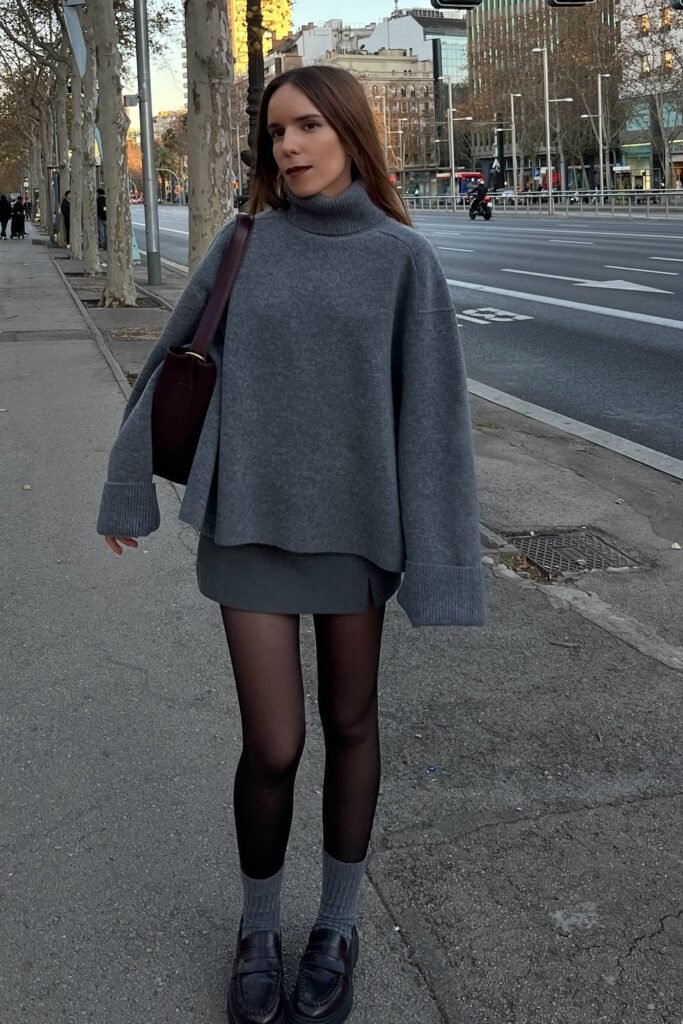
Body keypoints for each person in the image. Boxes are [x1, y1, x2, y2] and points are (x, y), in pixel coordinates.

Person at [96, 65, 485, 1024]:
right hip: (250, 523)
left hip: (356, 531)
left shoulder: (402, 259)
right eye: (276, 133)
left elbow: (432, 423)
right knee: (274, 744)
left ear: (349, 132)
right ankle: (259, 928)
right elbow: (169, 362)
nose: (291, 148)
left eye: (308, 126)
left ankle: (337, 926)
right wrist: (124, 492)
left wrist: (441, 566)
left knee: (353, 726)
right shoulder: (242, 243)